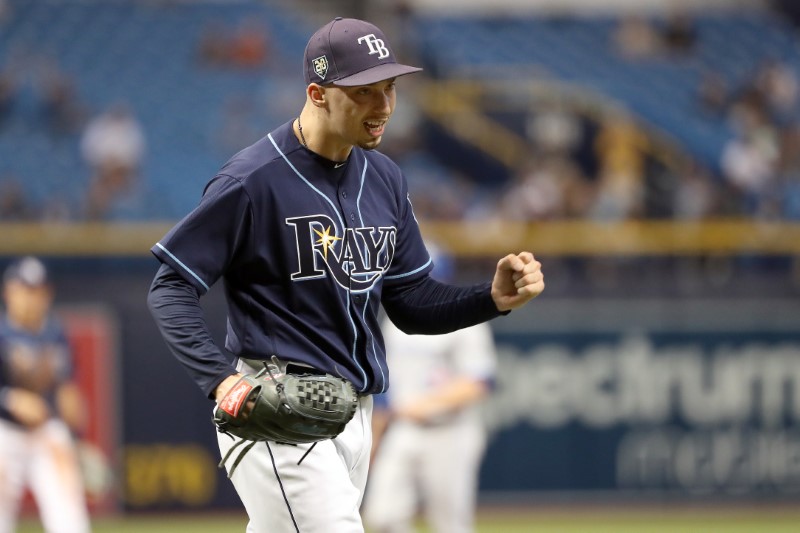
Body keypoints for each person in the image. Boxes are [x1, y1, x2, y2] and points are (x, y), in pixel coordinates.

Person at [147, 17, 544, 533]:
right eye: (364, 93)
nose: (383, 108)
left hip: (355, 416)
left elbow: (410, 302)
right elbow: (171, 284)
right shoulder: (251, 180)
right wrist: (220, 381)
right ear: (317, 93)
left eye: (390, 89)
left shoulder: (385, 178)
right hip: (278, 409)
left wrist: (489, 299)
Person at [362, 250, 498, 533]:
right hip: (404, 430)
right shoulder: (396, 321)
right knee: (382, 516)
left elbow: (478, 382)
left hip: (451, 432)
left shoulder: (465, 320)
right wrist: (374, 440)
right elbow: (386, 389)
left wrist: (424, 405)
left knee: (450, 525)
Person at [0, 256, 91, 533]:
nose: (31, 298)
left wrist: (77, 438)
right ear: (8, 291)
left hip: (46, 432)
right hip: (4, 432)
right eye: (24, 289)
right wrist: (9, 397)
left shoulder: (55, 333)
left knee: (70, 519)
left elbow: (66, 389)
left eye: (37, 291)